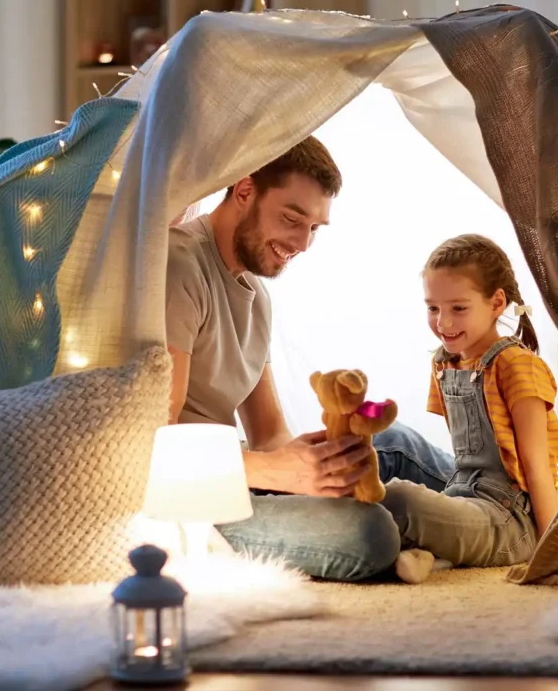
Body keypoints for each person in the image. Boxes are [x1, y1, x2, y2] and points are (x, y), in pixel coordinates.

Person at [164, 135, 454, 582]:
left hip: (242, 472)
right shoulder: (179, 265)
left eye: (315, 228)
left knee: (392, 443)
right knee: (369, 534)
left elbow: (268, 432)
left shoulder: (257, 296)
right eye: (291, 218)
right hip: (195, 499)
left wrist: (314, 459)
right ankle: (453, 525)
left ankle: (505, 508)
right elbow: (154, 445)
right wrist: (276, 471)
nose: (302, 243)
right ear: (244, 192)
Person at [379, 234, 558, 583]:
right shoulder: (444, 363)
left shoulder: (517, 366)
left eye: (458, 308)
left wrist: (553, 552)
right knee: (386, 439)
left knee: (400, 498)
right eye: (433, 308)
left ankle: (424, 546)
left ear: (496, 303)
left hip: (511, 519)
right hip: (463, 491)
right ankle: (432, 554)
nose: (443, 323)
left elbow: (537, 469)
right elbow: (467, 460)